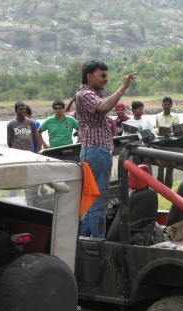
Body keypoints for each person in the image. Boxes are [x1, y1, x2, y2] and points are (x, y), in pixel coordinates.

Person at [75, 60, 136, 238]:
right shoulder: (86, 94)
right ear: (89, 76)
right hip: (96, 151)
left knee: (91, 199)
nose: (106, 79)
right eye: (102, 75)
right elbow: (104, 107)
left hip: (94, 150)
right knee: (99, 200)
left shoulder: (86, 93)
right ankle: (99, 245)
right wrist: (122, 88)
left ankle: (85, 242)